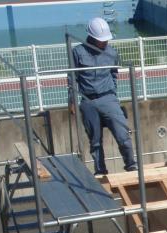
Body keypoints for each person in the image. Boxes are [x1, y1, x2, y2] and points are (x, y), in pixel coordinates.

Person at [70, 17, 136, 175]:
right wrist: (72, 100)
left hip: (108, 98)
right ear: (92, 38)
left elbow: (114, 74)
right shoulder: (78, 53)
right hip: (87, 100)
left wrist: (112, 94)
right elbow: (72, 78)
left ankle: (131, 165)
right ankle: (100, 170)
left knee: (123, 135)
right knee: (95, 141)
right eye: (102, 40)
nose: (105, 43)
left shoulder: (112, 53)